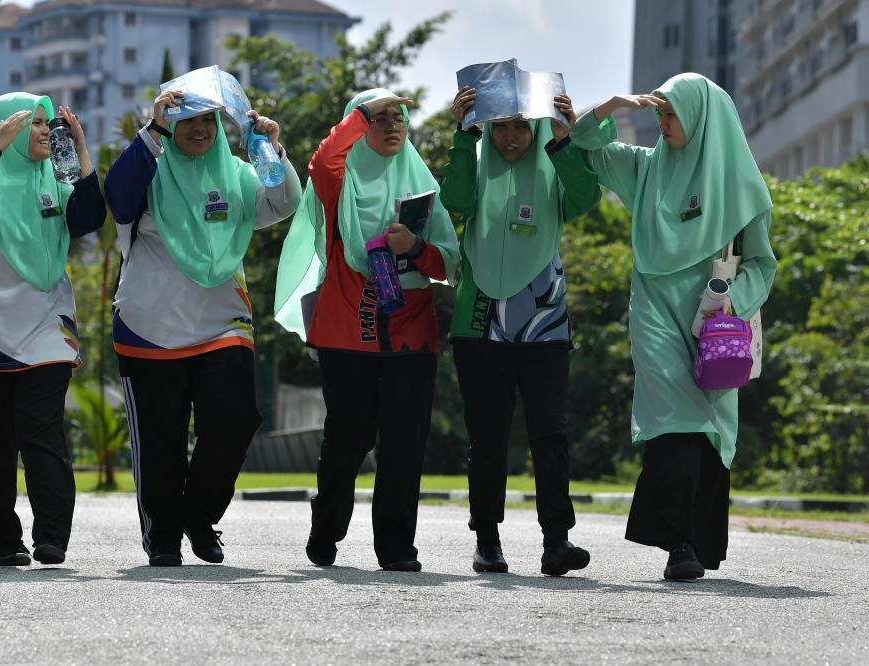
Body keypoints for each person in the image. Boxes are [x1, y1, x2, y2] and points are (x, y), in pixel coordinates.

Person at [569, 73, 777, 580]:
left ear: (703, 119)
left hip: (715, 327)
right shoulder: (644, 169)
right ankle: (678, 544)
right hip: (655, 314)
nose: (662, 125)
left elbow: (761, 264)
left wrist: (730, 305)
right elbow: (583, 145)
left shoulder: (740, 184)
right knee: (675, 417)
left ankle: (699, 544)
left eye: (671, 115)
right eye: (658, 114)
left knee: (711, 428)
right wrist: (609, 106)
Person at [103, 87, 301, 567]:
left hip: (222, 323)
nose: (199, 130)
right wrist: (150, 132)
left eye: (209, 121)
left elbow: (283, 202)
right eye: (187, 121)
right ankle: (164, 535)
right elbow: (117, 197)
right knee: (160, 439)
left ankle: (200, 516)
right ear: (168, 128)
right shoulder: (148, 170)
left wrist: (270, 150)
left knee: (234, 422)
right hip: (149, 326)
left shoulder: (236, 173)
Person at [274, 90, 460, 572]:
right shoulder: (342, 182)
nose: (392, 126)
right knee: (348, 439)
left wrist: (416, 245)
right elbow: (320, 162)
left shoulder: (421, 183)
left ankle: (396, 547)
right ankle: (327, 528)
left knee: (404, 442)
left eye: (399, 118)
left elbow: (446, 263)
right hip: (345, 328)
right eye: (380, 119)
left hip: (411, 333)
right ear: (358, 125)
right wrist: (361, 114)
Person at [0, 93, 106, 566]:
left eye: (47, 124)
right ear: (3, 130)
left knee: (43, 431)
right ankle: (4, 540)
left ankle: (52, 536)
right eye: (33, 123)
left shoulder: (57, 179)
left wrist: (80, 150)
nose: (43, 131)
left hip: (47, 330)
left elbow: (91, 217)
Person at [439, 88, 601, 575]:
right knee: (487, 437)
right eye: (501, 127)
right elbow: (455, 198)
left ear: (534, 129)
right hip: (478, 321)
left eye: (521, 126)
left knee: (550, 431)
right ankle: (487, 541)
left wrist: (563, 142)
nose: (511, 137)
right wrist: (464, 136)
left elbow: (586, 198)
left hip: (545, 323)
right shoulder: (475, 160)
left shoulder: (553, 165)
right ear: (488, 129)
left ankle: (557, 540)